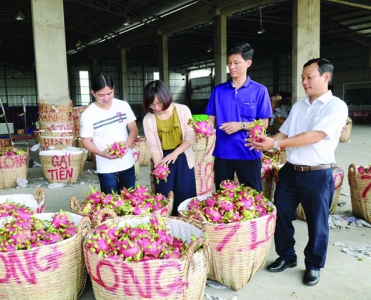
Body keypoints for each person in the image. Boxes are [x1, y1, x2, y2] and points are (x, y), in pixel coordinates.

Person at [249, 58, 348, 286]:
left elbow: (313, 136)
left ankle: (313, 265)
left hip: (317, 173)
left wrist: (273, 145)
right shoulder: (299, 106)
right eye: (302, 77)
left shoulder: (336, 107)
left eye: (309, 77)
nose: (304, 81)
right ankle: (286, 256)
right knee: (281, 214)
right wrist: (267, 141)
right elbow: (284, 134)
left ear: (326, 77)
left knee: (317, 222)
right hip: (291, 171)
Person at [205, 42, 273, 191]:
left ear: (248, 63)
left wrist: (240, 125)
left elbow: (264, 123)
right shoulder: (218, 91)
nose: (232, 67)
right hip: (223, 153)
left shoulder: (259, 90)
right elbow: (210, 120)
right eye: (229, 63)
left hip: (249, 152)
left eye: (237, 63)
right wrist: (200, 129)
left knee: (252, 195)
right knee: (223, 197)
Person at [142, 80, 196, 216]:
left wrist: (176, 153)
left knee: (184, 194)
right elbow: (154, 147)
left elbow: (190, 136)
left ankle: (185, 222)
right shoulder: (148, 119)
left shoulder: (183, 110)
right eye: (151, 104)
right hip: (163, 158)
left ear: (166, 97)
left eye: (158, 103)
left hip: (183, 155)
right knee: (164, 196)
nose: (156, 107)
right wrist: (159, 166)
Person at [80, 72, 138, 194]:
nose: (106, 98)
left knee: (130, 199)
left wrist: (127, 144)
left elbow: (133, 129)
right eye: (101, 95)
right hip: (106, 167)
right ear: (93, 93)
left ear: (113, 89)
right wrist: (102, 153)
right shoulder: (88, 114)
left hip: (126, 163)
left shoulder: (123, 105)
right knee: (109, 202)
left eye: (109, 93)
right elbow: (85, 140)